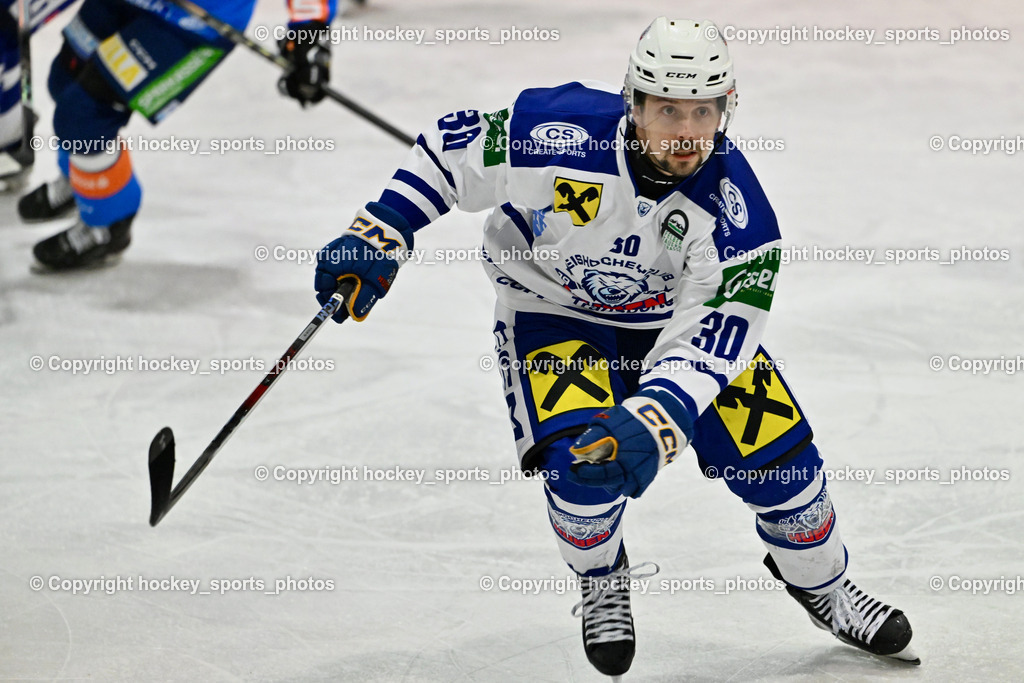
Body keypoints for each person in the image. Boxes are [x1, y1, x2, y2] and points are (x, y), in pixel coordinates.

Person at [312, 17, 919, 677]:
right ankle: (602, 577)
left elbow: (714, 339)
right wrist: (383, 226)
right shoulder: (558, 131)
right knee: (579, 469)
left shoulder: (738, 215)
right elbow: (448, 151)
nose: (686, 131)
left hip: (670, 329)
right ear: (633, 102)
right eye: (667, 109)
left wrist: (657, 417)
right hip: (551, 314)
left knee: (783, 466)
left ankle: (825, 587)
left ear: (726, 109)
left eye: (703, 111)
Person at [19, 0, 337, 270]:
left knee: (83, 116)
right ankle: (83, 179)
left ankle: (108, 222)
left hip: (189, 19)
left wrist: (309, 32)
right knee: (64, 78)